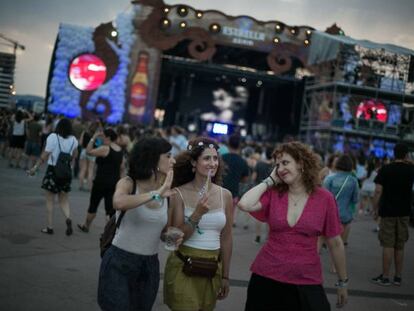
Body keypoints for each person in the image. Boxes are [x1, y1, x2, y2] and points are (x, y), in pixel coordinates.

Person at [238, 141, 348, 310]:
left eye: (285, 163)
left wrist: (342, 282)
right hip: (266, 277)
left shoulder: (324, 199)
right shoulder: (274, 193)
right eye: (277, 165)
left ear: (301, 163)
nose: (280, 169)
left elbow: (335, 243)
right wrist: (270, 180)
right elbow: (244, 204)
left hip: (306, 279)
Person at [97, 136, 176, 311]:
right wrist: (157, 193)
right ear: (153, 158)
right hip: (119, 261)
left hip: (149, 265)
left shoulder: (167, 192)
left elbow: (163, 232)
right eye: (168, 156)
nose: (173, 160)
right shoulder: (129, 183)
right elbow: (119, 203)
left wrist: (170, 237)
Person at [164, 137, 233, 311]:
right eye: (206, 158)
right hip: (184, 266)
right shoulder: (177, 193)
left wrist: (225, 275)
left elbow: (226, 237)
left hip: (212, 269)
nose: (212, 163)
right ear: (194, 162)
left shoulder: (225, 195)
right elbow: (171, 242)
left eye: (215, 158)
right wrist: (196, 214)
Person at [371, 143, 414, 287]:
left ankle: (385, 277)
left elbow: (378, 191)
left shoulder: (386, 169)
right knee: (400, 245)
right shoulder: (411, 170)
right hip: (404, 212)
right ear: (407, 154)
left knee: (388, 244)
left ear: (393, 153)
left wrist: (375, 208)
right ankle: (398, 277)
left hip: (388, 212)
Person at [27, 118, 78, 235]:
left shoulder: (53, 137)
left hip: (53, 171)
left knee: (50, 200)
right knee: (64, 200)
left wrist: (34, 168)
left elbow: (45, 155)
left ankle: (50, 227)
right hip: (66, 172)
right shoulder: (74, 140)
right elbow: (75, 155)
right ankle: (68, 218)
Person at [77, 128, 123, 233]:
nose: (101, 138)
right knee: (110, 209)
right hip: (113, 182)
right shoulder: (120, 150)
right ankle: (110, 232)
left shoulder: (105, 149)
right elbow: (122, 168)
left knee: (93, 205)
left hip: (101, 182)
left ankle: (86, 226)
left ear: (108, 137)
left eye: (102, 136)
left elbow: (88, 151)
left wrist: (93, 138)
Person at [324, 154, 359, 246]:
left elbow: (323, 197)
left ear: (338, 164)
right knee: (339, 243)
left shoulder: (329, 179)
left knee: (324, 238)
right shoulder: (353, 180)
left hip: (329, 213)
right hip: (345, 214)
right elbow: (355, 199)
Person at [222, 134, 249, 227]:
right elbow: (245, 179)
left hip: (219, 192)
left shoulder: (222, 158)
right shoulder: (242, 161)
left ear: (228, 144)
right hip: (233, 193)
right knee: (228, 220)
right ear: (240, 146)